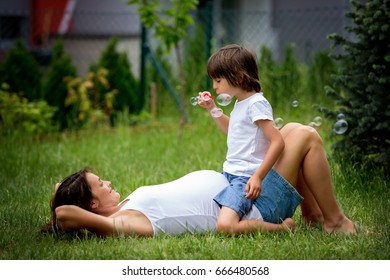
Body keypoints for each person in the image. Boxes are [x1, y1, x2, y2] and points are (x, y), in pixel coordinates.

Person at [41, 123, 356, 237]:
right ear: (93, 204)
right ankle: (334, 220)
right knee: (304, 135)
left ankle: (314, 217)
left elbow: (63, 199)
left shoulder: (123, 206)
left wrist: (68, 190)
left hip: (241, 192)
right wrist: (68, 206)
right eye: (101, 185)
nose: (108, 182)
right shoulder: (124, 223)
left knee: (285, 134)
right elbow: (64, 213)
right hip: (255, 209)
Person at [197, 44, 285, 233]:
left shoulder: (256, 103)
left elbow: (277, 141)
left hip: (244, 178)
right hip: (229, 175)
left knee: (225, 226)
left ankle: (283, 228)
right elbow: (233, 130)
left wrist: (258, 176)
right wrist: (212, 108)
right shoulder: (241, 103)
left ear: (238, 77)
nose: (214, 86)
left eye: (218, 80)